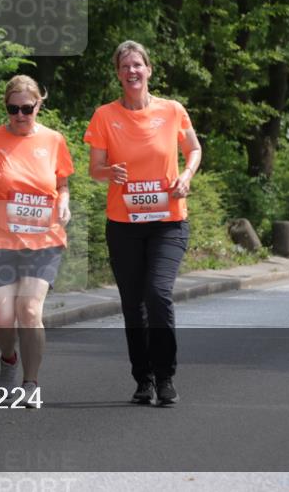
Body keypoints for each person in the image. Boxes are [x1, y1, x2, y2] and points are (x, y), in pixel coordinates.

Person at [84, 40, 201, 407]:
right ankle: (143, 379)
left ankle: (166, 377)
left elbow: (194, 149)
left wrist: (186, 176)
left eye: (138, 65)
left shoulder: (172, 111)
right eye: (125, 67)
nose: (132, 72)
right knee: (133, 305)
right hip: (123, 224)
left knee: (158, 293)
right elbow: (94, 169)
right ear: (118, 74)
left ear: (149, 69)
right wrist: (109, 172)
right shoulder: (105, 116)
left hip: (168, 221)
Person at [0, 75, 74, 408]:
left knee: (29, 310)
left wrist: (64, 202)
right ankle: (8, 358)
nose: (20, 115)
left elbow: (63, 183)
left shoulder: (54, 141)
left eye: (27, 108)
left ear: (40, 104)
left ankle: (31, 382)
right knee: (1, 318)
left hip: (43, 238)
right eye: (13, 109)